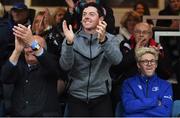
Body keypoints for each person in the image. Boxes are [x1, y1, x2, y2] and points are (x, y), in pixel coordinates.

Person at [59, 2, 122, 116]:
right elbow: (65, 66)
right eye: (84, 14)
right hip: (76, 97)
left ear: (101, 18)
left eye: (92, 14)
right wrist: (69, 43)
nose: (86, 17)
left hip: (102, 97)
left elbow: (117, 60)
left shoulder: (111, 39)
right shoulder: (71, 37)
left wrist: (103, 41)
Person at [0, 24, 62, 116]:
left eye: (33, 46)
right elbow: (5, 78)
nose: (29, 49)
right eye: (27, 46)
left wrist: (33, 43)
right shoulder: (19, 63)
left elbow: (50, 64)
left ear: (44, 50)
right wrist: (17, 51)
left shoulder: (51, 62)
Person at [120, 47, 173, 117]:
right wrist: (155, 101)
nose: (149, 64)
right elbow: (128, 107)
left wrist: (138, 108)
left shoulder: (166, 85)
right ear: (138, 65)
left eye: (152, 61)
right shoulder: (128, 83)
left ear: (156, 64)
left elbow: (165, 113)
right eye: (145, 61)